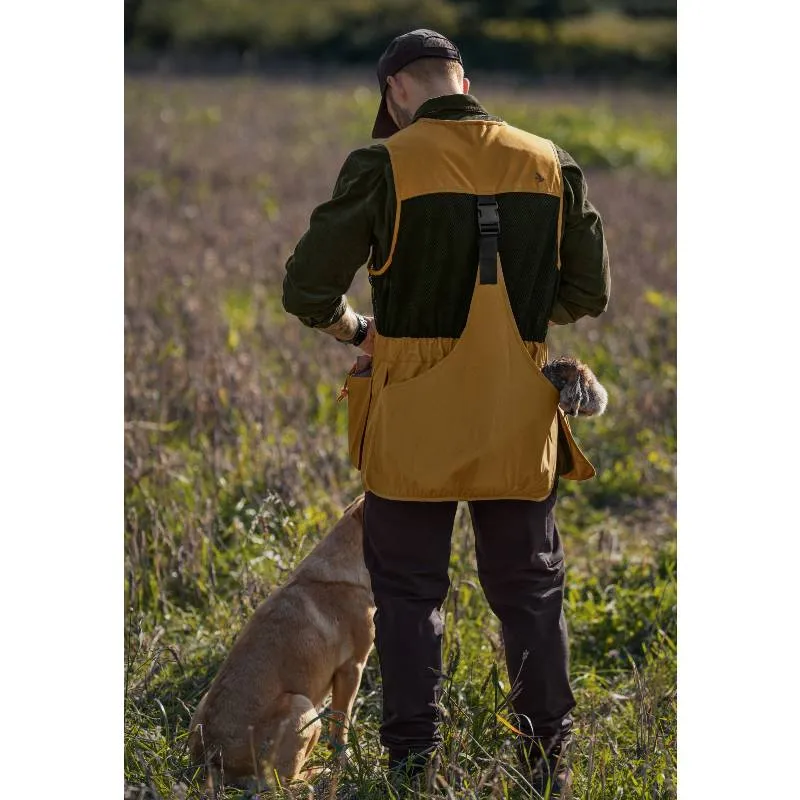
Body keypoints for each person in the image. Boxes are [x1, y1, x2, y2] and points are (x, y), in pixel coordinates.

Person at [282, 28, 609, 797]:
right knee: (530, 592)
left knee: (407, 597)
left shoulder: (382, 162)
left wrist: (361, 332)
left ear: (394, 91)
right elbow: (588, 295)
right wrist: (518, 323)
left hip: (412, 415)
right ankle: (546, 769)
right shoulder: (550, 161)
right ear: (463, 78)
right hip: (518, 412)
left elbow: (305, 290)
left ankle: (410, 770)